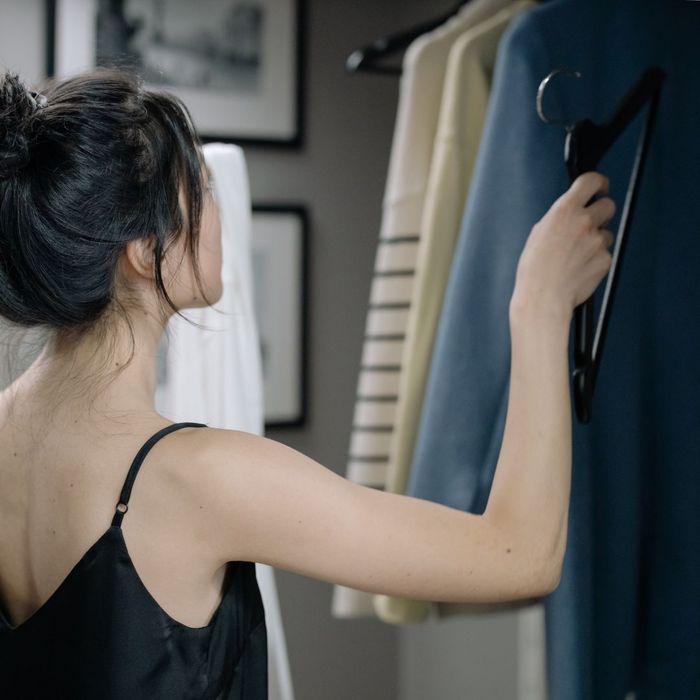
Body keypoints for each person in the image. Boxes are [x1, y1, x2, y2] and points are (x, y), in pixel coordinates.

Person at [0, 66, 615, 697]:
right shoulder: (202, 476)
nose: (218, 209)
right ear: (143, 247)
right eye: (204, 186)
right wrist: (539, 307)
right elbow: (522, 555)